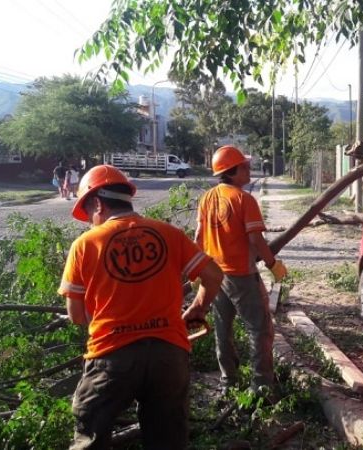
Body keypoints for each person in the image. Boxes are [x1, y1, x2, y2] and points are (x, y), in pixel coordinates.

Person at [58, 165, 223, 450]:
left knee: (90, 435)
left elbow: (76, 316)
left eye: (88, 213)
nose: (89, 222)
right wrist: (198, 307)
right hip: (169, 354)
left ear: (97, 202)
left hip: (111, 356)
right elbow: (214, 276)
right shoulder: (168, 234)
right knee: (167, 439)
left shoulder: (85, 245)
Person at [195, 145, 287, 397]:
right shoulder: (244, 199)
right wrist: (273, 265)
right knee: (259, 329)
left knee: (222, 330)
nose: (249, 170)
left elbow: (198, 237)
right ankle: (261, 386)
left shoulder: (207, 198)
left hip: (215, 276)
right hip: (241, 276)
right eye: (244, 167)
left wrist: (198, 271)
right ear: (231, 172)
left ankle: (228, 382)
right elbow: (256, 240)